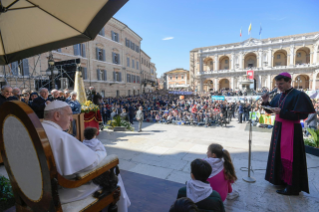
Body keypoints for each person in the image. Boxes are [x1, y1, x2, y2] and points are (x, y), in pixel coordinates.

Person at [261, 72, 315, 195]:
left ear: (289, 82)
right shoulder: (278, 96)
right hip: (278, 128)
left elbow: (303, 115)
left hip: (291, 129)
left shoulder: (299, 95)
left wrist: (282, 112)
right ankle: (281, 179)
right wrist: (265, 102)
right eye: (277, 84)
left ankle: (293, 186)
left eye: (281, 84)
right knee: (278, 155)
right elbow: (270, 110)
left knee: (291, 156)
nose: (279, 86)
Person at [42, 101, 104, 204]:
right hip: (59, 193)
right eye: (70, 115)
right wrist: (100, 152)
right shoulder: (61, 137)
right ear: (57, 115)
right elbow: (91, 163)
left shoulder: (37, 129)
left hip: (36, 193)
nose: (71, 119)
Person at [82, 127, 131, 211]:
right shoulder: (97, 143)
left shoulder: (82, 144)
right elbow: (104, 155)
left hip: (88, 171)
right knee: (117, 179)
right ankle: (121, 205)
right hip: (98, 172)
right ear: (94, 135)